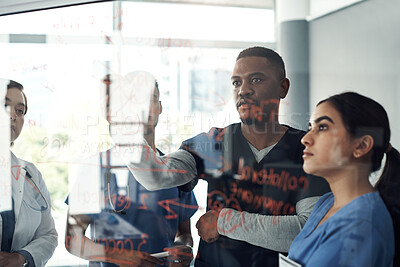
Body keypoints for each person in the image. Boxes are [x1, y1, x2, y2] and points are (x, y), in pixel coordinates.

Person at [125, 47, 330, 266]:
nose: (243, 91)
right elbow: (154, 177)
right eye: (236, 83)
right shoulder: (213, 143)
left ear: (283, 87)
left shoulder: (306, 149)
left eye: (256, 80)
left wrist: (223, 222)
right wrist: (126, 125)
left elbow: (307, 232)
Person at [65, 72, 198, 267]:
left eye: (150, 99)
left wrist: (183, 248)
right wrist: (121, 257)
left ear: (159, 107)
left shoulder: (177, 170)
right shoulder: (94, 168)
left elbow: (184, 234)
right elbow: (72, 240)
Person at [286, 92, 397, 266]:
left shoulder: (361, 226)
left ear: (361, 146)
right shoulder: (326, 202)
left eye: (322, 127)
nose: (305, 139)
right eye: (310, 127)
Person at [0, 80, 58, 267]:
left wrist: (20, 258)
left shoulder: (31, 175)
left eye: (20, 111)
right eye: (5, 105)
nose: (13, 116)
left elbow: (48, 234)